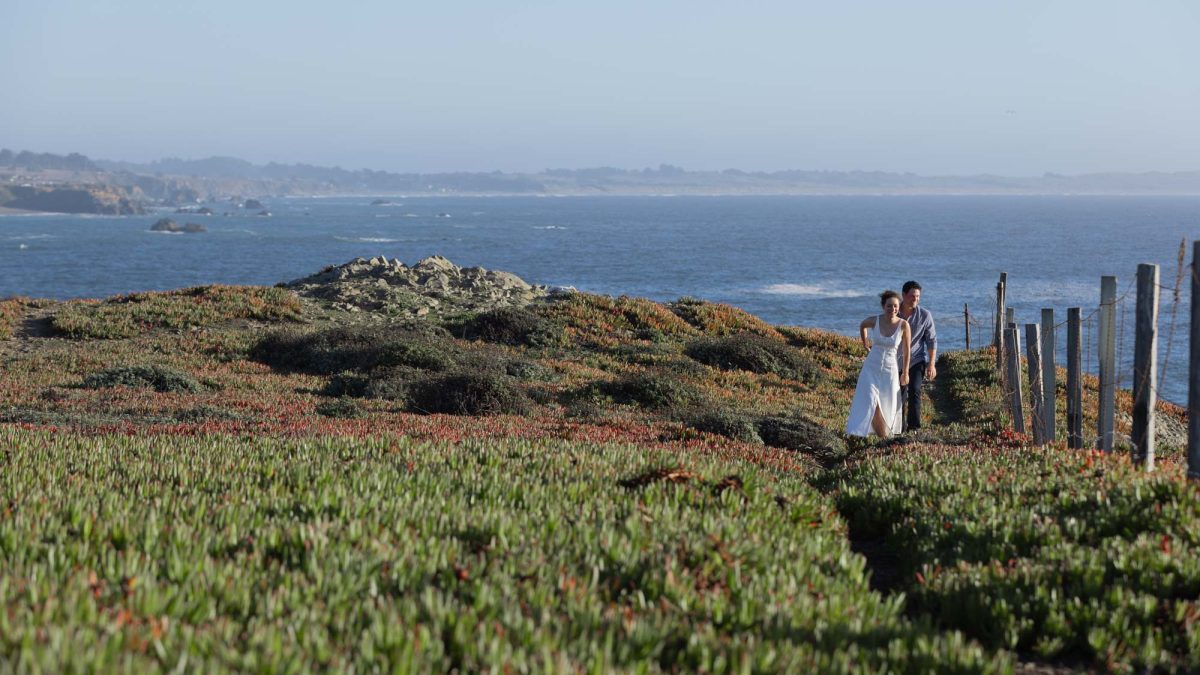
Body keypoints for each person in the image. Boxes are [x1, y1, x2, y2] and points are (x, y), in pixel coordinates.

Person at [846, 290, 911, 438]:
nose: (892, 309)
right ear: (883, 306)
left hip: (890, 369)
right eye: (889, 306)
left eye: (895, 306)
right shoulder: (875, 320)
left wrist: (905, 372)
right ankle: (881, 436)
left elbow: (907, 351)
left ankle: (884, 436)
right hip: (871, 367)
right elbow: (862, 325)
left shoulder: (904, 325)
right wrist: (865, 344)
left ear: (899, 307)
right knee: (871, 401)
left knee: (887, 402)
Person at [898, 280, 937, 431]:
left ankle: (914, 428)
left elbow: (931, 341)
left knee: (915, 390)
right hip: (896, 362)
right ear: (904, 295)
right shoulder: (894, 313)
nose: (915, 299)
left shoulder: (925, 315)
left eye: (918, 297)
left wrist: (931, 364)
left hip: (916, 359)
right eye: (912, 296)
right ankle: (898, 428)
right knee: (898, 395)